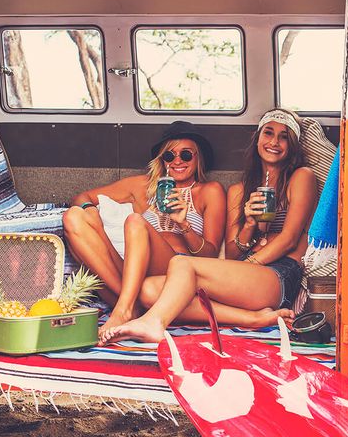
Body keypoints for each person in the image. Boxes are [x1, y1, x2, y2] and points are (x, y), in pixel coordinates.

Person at [99, 108, 317, 344]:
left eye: (283, 137)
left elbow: (290, 238)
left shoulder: (301, 176)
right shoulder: (239, 191)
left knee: (181, 263)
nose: (274, 142)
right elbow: (233, 254)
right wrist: (250, 225)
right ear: (257, 140)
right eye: (268, 133)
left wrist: (250, 264)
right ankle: (254, 318)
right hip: (245, 275)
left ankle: (154, 323)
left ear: (292, 145)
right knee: (149, 290)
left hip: (279, 273)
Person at [63, 121, 227, 336]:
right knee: (73, 217)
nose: (177, 161)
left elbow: (211, 254)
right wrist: (90, 210)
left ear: (198, 159)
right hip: (131, 275)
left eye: (186, 155)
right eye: (170, 156)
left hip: (175, 272)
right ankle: (131, 305)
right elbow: (81, 197)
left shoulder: (209, 191)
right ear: (162, 160)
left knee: (135, 222)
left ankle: (124, 309)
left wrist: (183, 225)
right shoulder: (143, 186)